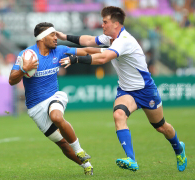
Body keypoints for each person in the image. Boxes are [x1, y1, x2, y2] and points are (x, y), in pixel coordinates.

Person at [58, 6, 187, 172]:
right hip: (126, 91)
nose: (102, 24)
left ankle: (179, 148)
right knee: (118, 114)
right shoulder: (110, 38)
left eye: (105, 22)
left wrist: (76, 59)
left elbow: (103, 57)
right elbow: (89, 40)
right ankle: (132, 159)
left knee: (161, 126)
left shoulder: (124, 40)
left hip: (145, 89)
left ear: (116, 24)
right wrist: (64, 36)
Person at [9, 22, 98, 175]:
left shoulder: (59, 50)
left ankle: (80, 150)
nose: (56, 38)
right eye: (52, 35)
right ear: (42, 38)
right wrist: (24, 69)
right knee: (63, 144)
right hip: (35, 108)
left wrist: (111, 51)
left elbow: (86, 50)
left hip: (54, 96)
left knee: (56, 116)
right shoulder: (26, 55)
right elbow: (12, 80)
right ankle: (86, 166)